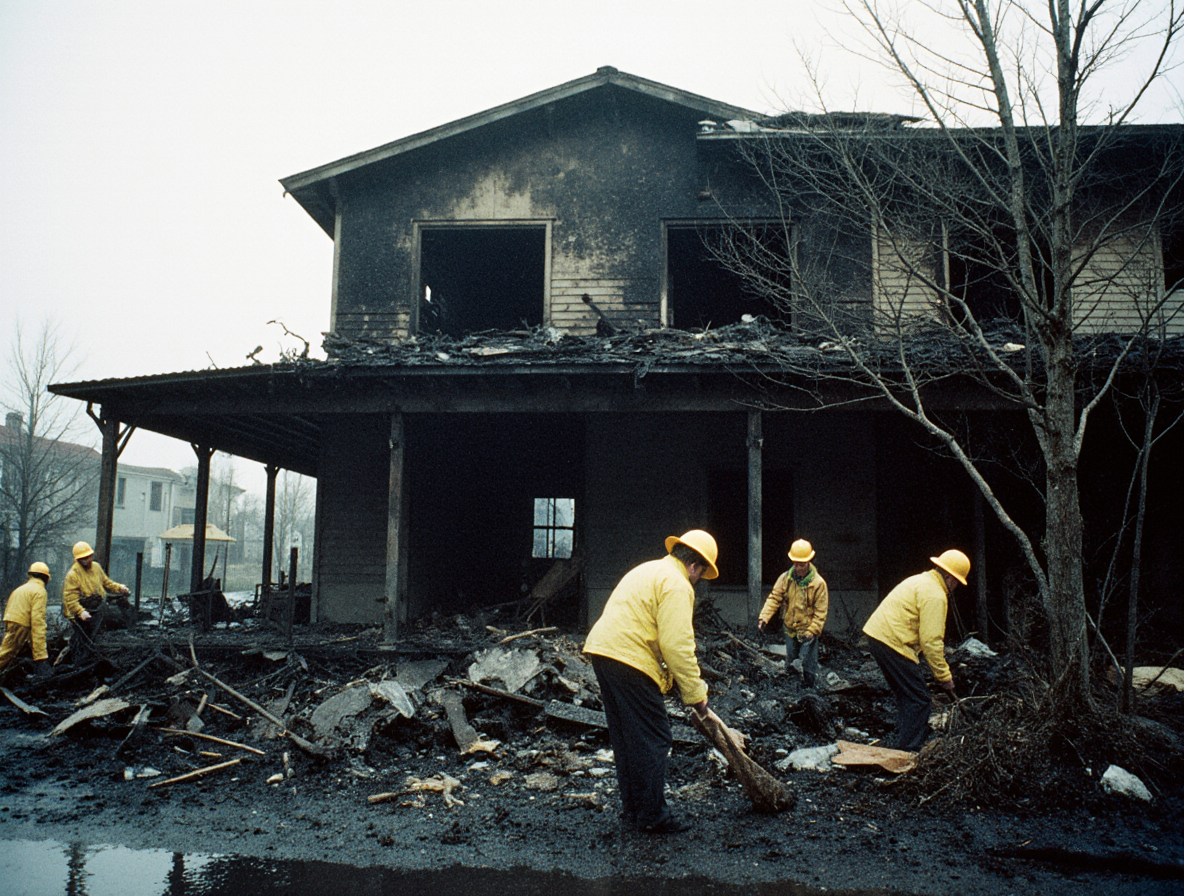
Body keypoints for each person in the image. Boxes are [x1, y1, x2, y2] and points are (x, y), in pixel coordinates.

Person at [583, 529, 717, 834]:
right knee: (656, 736)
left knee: (627, 737)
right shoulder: (678, 584)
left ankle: (634, 810)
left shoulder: (648, 570)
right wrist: (696, 695)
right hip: (629, 658)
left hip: (603, 652)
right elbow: (677, 646)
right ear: (694, 565)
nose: (698, 580)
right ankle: (652, 816)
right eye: (701, 573)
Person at [862, 549, 969, 752]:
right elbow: (931, 641)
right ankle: (910, 749)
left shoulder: (921, 580)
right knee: (919, 699)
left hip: (879, 637)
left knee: (907, 693)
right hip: (891, 642)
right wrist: (944, 676)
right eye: (956, 582)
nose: (955, 588)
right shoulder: (936, 595)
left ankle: (903, 737)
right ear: (950, 577)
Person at [757, 538, 828, 690]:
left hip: (808, 632)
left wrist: (813, 630)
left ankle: (809, 689)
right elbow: (774, 598)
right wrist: (764, 617)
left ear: (808, 562)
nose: (798, 568)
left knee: (808, 666)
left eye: (802, 564)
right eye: (795, 564)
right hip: (790, 629)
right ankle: (790, 691)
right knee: (791, 663)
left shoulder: (818, 583)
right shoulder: (785, 579)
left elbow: (821, 611)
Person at [61, 541, 129, 662]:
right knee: (83, 639)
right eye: (84, 558)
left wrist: (119, 588)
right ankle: (78, 661)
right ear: (78, 559)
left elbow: (107, 582)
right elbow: (71, 600)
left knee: (97, 636)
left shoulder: (96, 567)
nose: (88, 560)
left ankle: (94, 658)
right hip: (82, 612)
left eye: (89, 556)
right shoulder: (72, 575)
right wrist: (81, 612)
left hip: (97, 607)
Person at [0, 562, 52, 676]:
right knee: (5, 654)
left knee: (9, 651)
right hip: (21, 623)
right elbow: (38, 622)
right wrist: (40, 656)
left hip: (12, 620)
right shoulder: (40, 591)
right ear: (46, 578)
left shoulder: (21, 589)